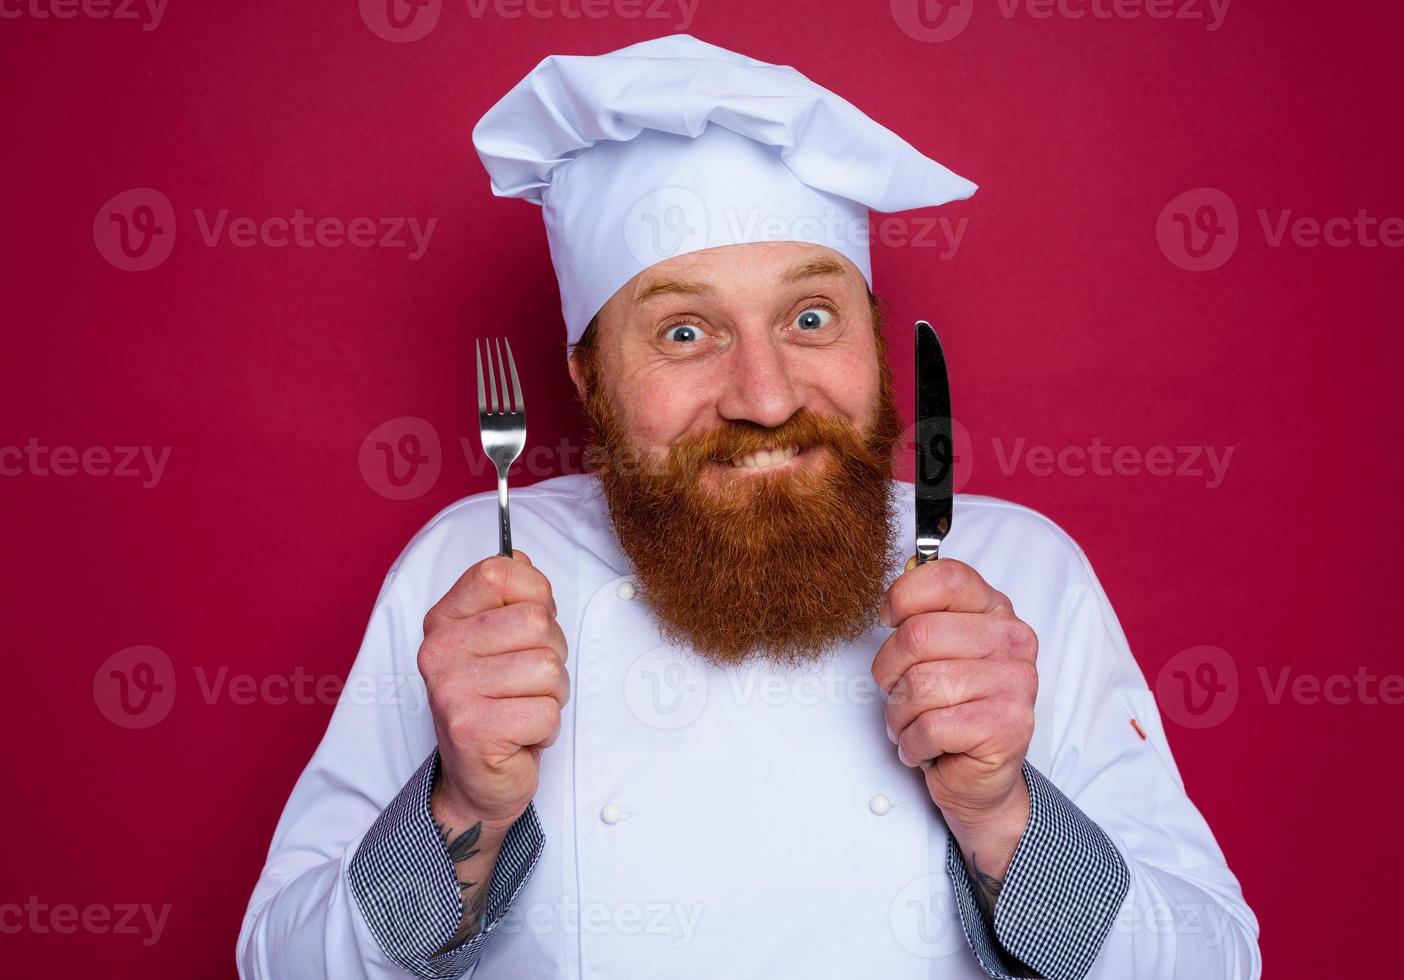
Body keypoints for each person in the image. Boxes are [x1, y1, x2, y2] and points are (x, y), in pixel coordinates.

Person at [237, 34, 1259, 980]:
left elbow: (1217, 960)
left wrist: (1005, 813)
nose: (765, 397)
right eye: (685, 332)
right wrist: (462, 805)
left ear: (871, 331)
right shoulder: (478, 568)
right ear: (588, 378)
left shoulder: (1019, 570)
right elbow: (279, 963)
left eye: (810, 317)